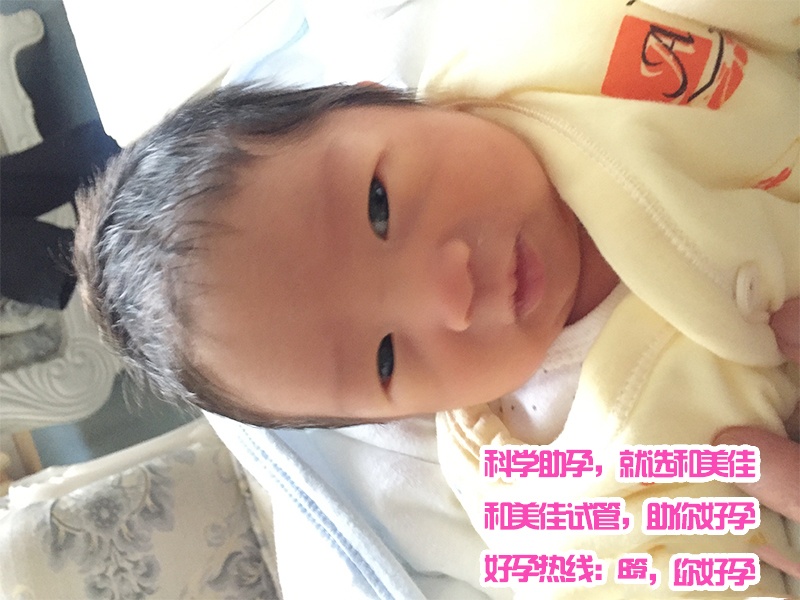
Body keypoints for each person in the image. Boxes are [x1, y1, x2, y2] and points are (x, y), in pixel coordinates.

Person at [73, 0, 798, 596]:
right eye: (385, 359)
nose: (452, 295)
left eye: (378, 207)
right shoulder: (541, 487)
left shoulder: (554, 46)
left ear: (380, 98)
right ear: (392, 419)